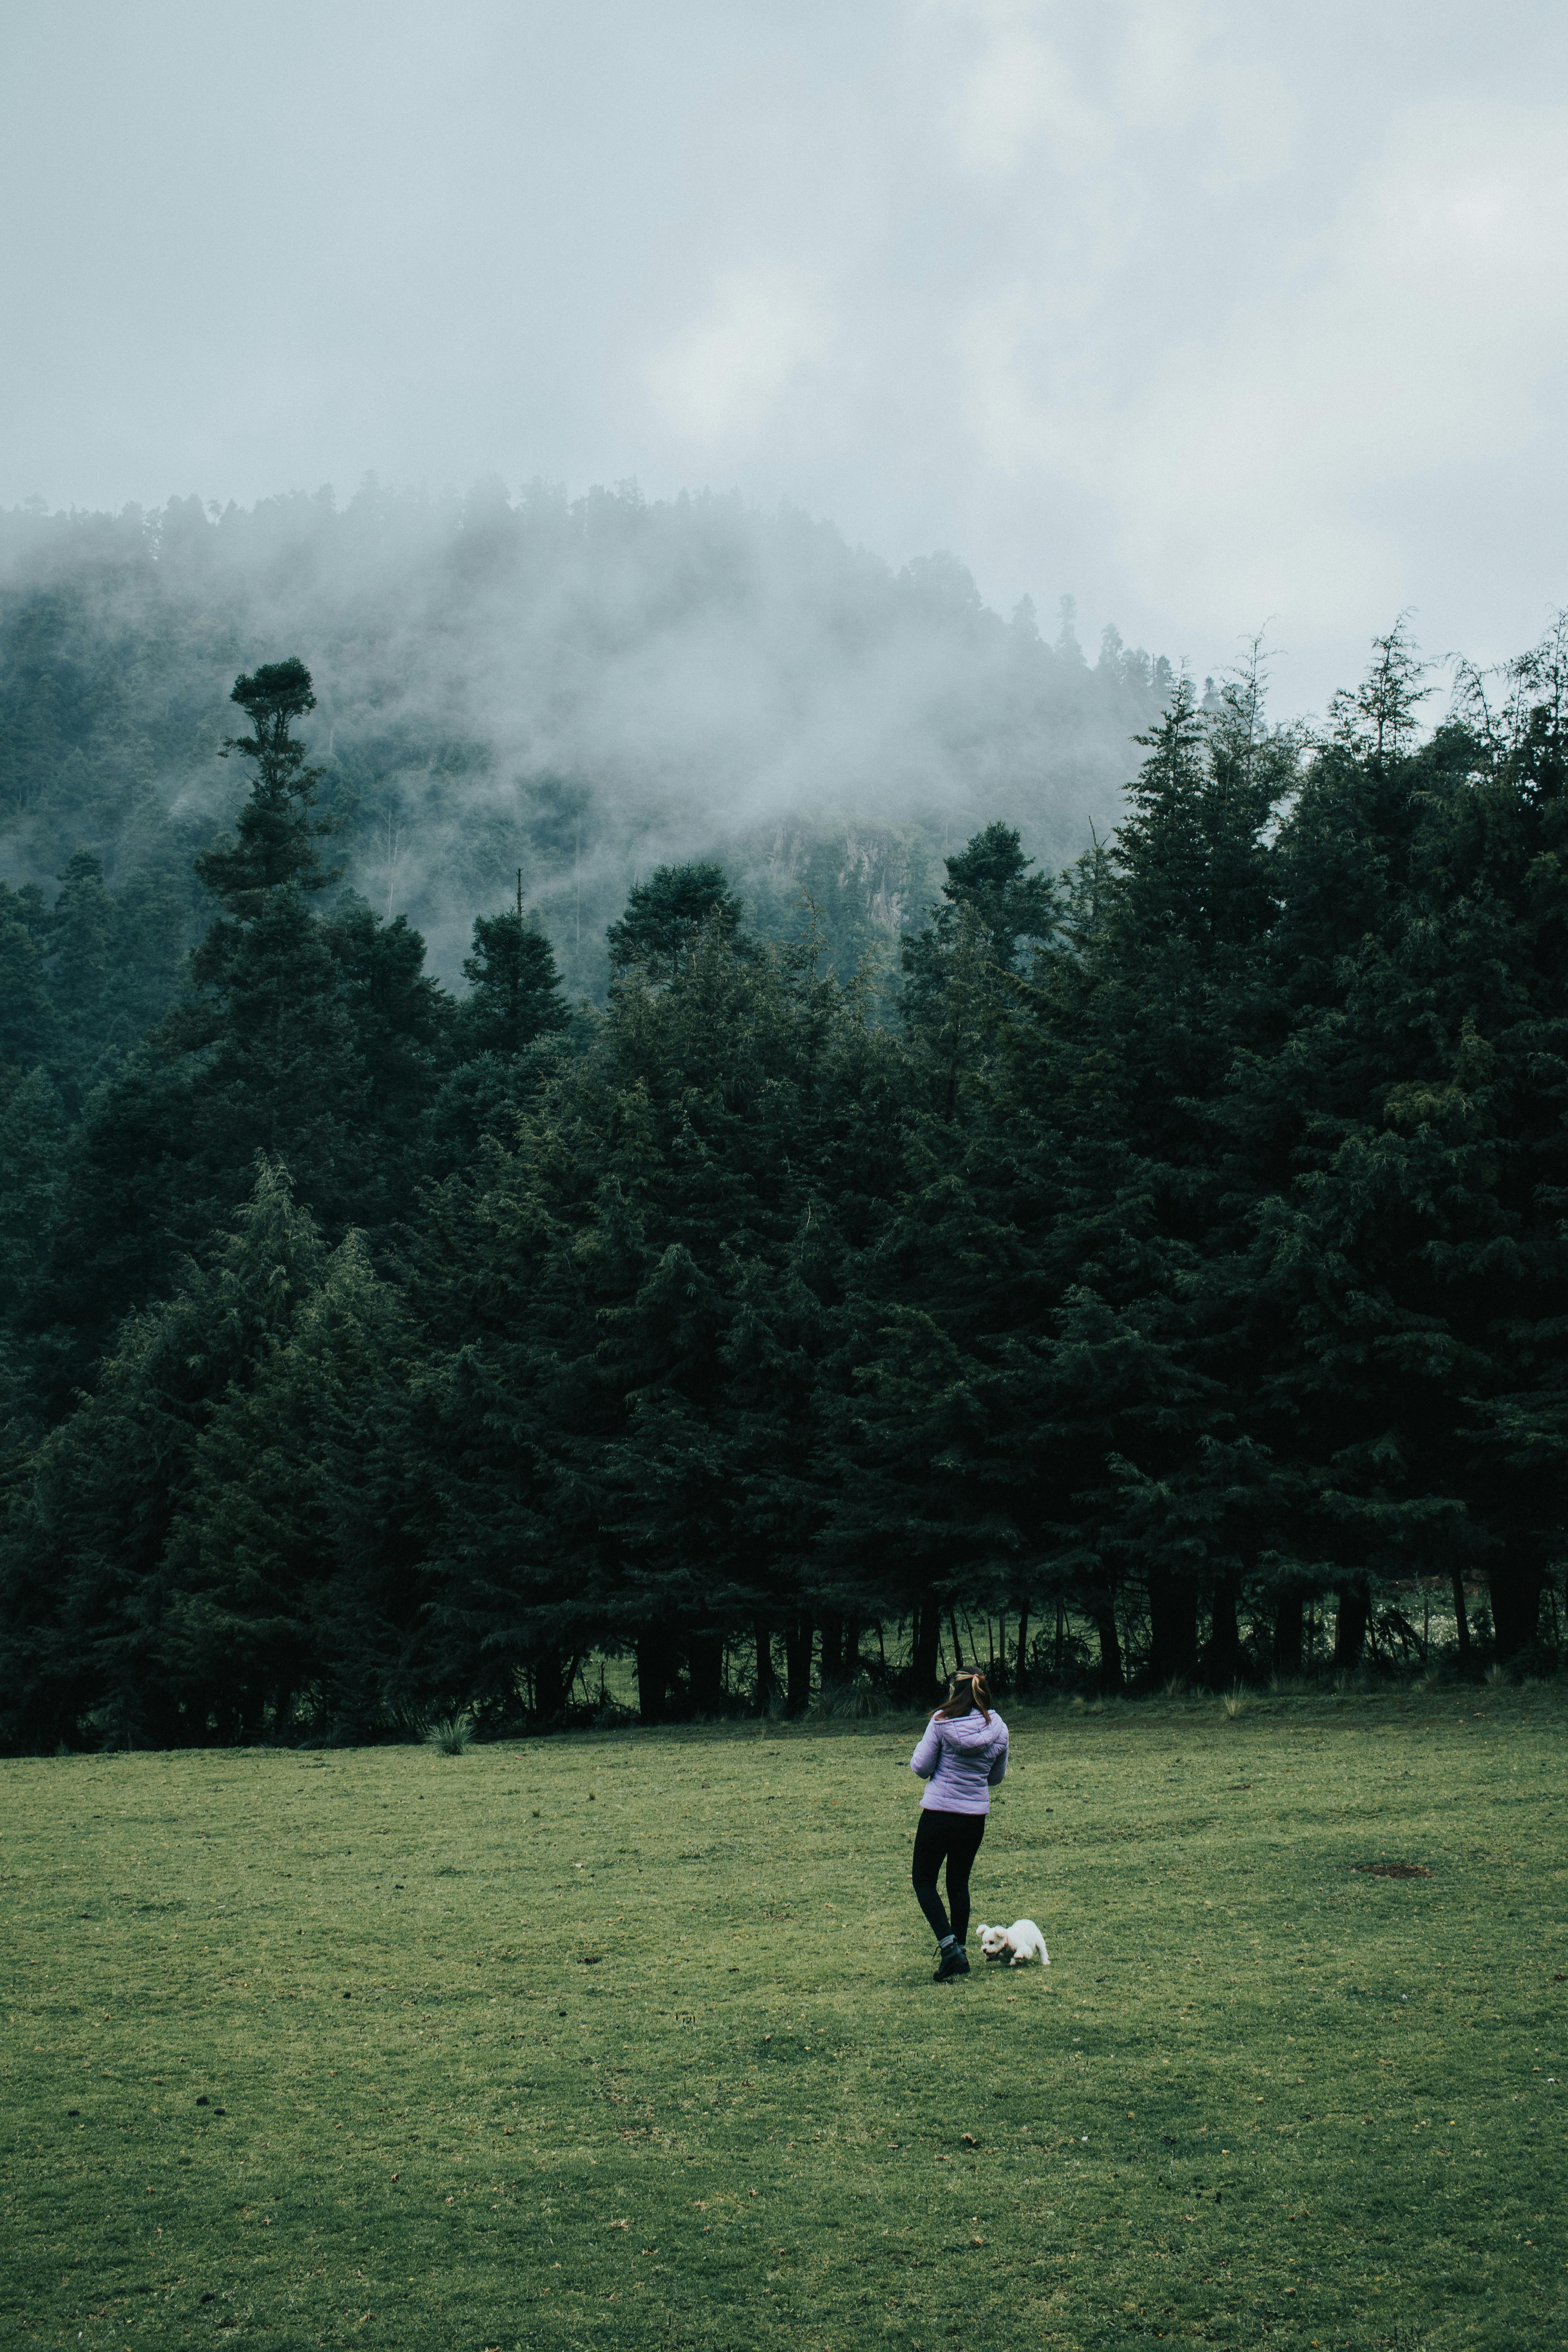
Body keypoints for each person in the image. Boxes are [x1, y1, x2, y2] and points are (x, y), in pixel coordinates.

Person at [908, 1667, 1009, 1980]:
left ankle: (950, 1949)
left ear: (955, 1690)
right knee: (958, 1883)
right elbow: (996, 1777)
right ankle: (960, 1953)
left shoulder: (941, 1722)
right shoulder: (1000, 1729)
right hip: (973, 1819)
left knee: (924, 1880)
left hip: (939, 1814)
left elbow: (920, 1767)